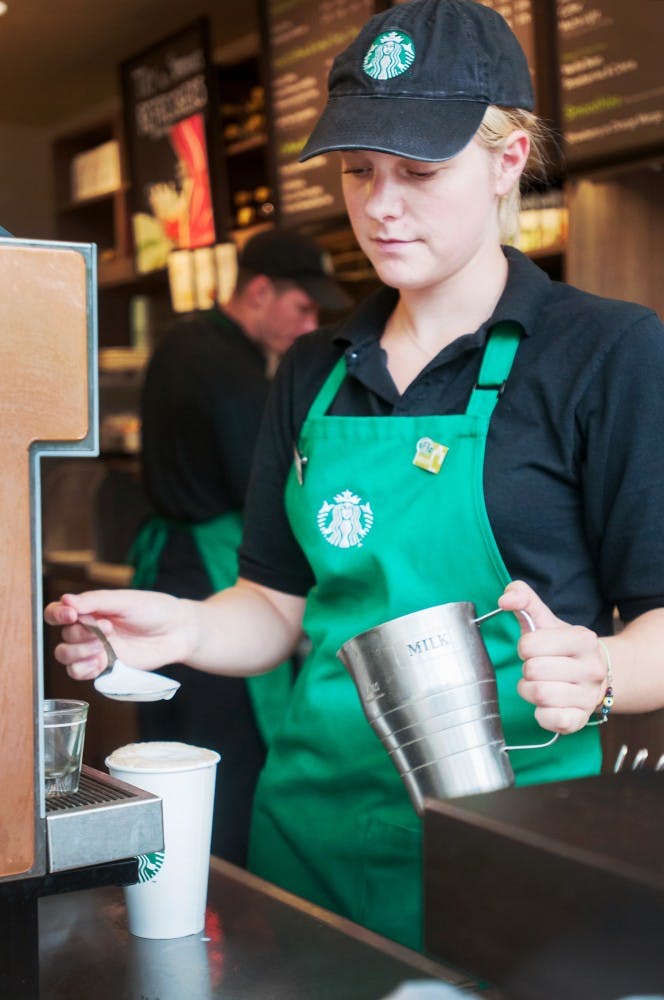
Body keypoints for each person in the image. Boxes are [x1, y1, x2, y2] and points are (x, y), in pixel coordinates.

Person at [45, 0, 664, 953]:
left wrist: (608, 668)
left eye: (419, 171)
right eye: (358, 171)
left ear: (509, 160)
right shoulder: (313, 369)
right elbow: (277, 605)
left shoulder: (605, 354)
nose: (380, 205)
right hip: (313, 830)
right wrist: (190, 627)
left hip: (518, 842)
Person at [127, 227, 352, 866]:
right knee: (221, 750)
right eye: (303, 308)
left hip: (172, 566)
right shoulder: (229, 369)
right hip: (214, 576)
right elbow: (264, 489)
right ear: (260, 291)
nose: (310, 322)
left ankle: (161, 871)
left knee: (168, 745)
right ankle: (223, 897)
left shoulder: (183, 342)